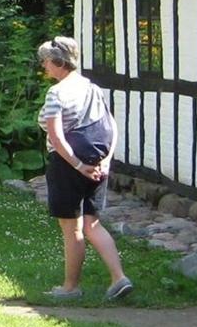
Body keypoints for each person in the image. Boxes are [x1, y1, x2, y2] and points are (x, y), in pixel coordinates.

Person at [37, 36, 132, 301]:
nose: (43, 66)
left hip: (69, 165)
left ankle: (70, 287)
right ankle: (119, 278)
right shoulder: (92, 88)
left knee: (73, 228)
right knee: (93, 224)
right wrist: (104, 161)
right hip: (99, 162)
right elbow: (111, 127)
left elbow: (56, 137)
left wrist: (79, 166)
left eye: (45, 61)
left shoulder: (57, 93)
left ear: (57, 62)